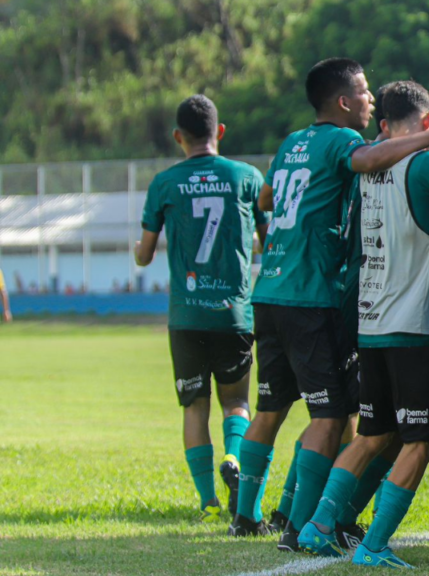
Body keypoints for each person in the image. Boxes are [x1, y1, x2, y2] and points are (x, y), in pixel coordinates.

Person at [229, 57, 429, 540]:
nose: (370, 97)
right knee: (332, 415)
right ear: (343, 101)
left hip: (268, 288)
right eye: (363, 90)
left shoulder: (294, 142)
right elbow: (370, 160)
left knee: (271, 408)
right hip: (309, 292)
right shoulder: (344, 142)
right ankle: (301, 525)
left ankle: (247, 516)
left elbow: (269, 198)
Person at [296, 81, 429, 567]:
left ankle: (317, 525)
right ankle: (373, 546)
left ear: (383, 124)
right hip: (415, 326)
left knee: (371, 435)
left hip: (371, 323)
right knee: (422, 440)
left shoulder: (369, 164)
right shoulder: (427, 164)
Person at [135, 94, 266, 523]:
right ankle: (233, 455)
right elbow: (269, 241)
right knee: (237, 404)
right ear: (220, 132)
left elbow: (144, 255)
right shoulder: (247, 177)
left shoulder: (164, 183)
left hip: (186, 314)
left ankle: (208, 500)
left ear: (178, 137)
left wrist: (140, 247)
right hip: (233, 312)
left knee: (195, 406)